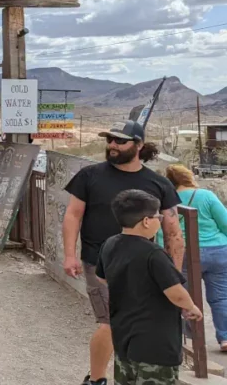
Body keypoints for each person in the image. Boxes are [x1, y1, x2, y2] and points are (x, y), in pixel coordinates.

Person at [62, 120, 184, 385]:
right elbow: (73, 215)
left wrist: (173, 272)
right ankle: (96, 380)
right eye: (109, 140)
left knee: (135, 323)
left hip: (146, 268)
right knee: (109, 323)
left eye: (120, 141)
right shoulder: (89, 175)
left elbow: (173, 231)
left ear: (139, 146)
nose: (112, 145)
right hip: (99, 262)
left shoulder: (158, 183)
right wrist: (70, 254)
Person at [96, 189, 203, 384]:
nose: (160, 221)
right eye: (158, 217)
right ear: (146, 221)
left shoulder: (109, 244)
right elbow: (175, 292)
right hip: (156, 345)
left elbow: (103, 278)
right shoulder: (154, 254)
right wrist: (190, 307)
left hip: (123, 338)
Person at [165, 164, 227, 350]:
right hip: (217, 251)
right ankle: (225, 337)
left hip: (183, 253)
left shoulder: (168, 201)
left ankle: (192, 341)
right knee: (221, 297)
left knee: (186, 297)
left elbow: (165, 233)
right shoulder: (207, 196)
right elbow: (225, 223)